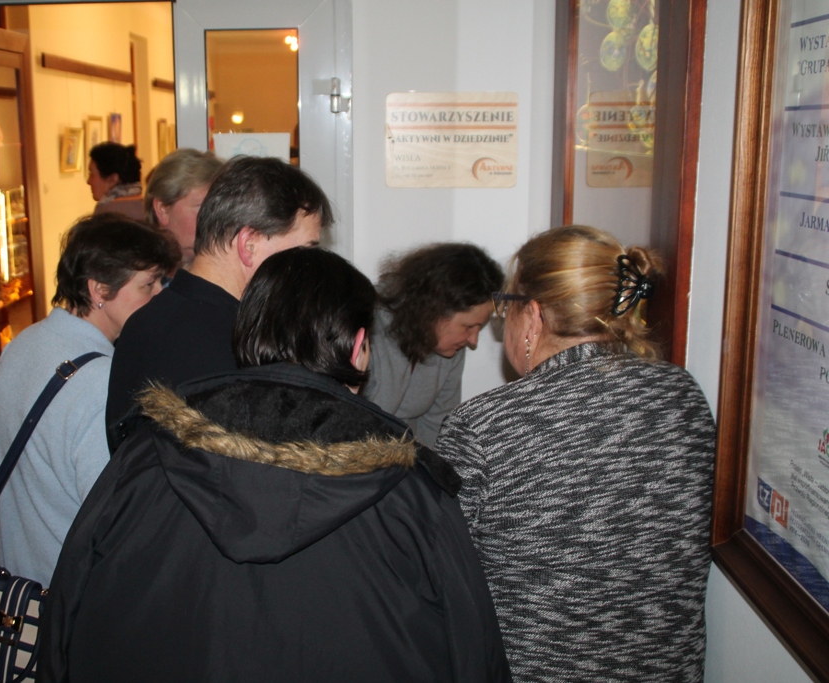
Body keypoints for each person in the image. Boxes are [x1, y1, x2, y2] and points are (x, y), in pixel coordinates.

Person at [41, 248, 513, 683]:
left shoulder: (144, 455)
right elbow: (473, 649)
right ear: (359, 348)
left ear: (246, 332)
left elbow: (66, 610)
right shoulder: (414, 495)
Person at [435, 225, 716, 682]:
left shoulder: (482, 427)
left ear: (533, 315)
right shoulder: (683, 397)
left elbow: (442, 582)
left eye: (506, 308)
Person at [0, 213, 180, 587]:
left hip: (19, 579)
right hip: (70, 590)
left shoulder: (22, 344)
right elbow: (114, 518)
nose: (160, 295)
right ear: (99, 290)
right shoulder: (100, 381)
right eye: (148, 284)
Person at [106, 155, 331, 449]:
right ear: (249, 245)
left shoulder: (146, 321)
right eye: (304, 251)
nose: (309, 269)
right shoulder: (234, 345)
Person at [363, 243, 503, 446]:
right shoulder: (366, 327)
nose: (473, 340)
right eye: (468, 326)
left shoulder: (450, 348)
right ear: (432, 312)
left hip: (406, 458)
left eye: (479, 327)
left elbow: (438, 428)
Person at [142, 148, 223, 267]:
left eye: (220, 208)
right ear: (163, 209)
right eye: (203, 208)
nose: (217, 219)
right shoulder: (137, 273)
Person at [87, 142, 146, 221]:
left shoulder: (106, 211)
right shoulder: (150, 206)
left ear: (113, 179)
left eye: (91, 174)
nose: (88, 181)